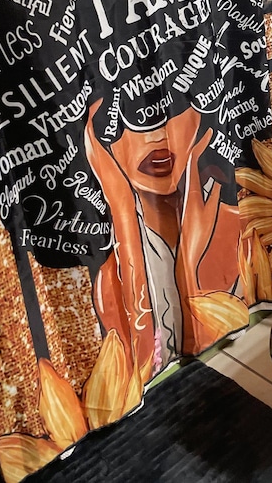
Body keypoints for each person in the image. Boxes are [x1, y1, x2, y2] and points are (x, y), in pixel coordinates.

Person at [85, 100, 242, 372]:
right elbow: (136, 372)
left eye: (173, 111)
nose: (158, 136)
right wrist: (121, 210)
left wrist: (191, 264)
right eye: (127, 122)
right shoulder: (110, 280)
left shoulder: (236, 224)